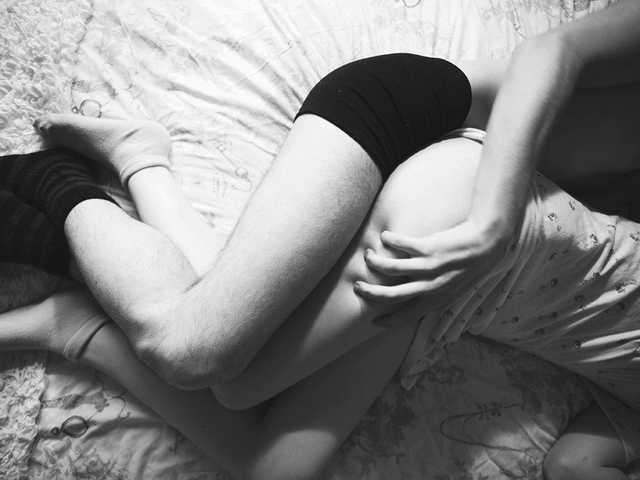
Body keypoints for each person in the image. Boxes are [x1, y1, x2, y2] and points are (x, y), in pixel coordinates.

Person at [1, 0, 640, 478]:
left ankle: (131, 188)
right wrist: (494, 221)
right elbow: (550, 51)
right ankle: (54, 189)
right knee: (204, 358)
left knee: (273, 463)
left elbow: (573, 463)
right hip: (437, 148)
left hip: (456, 291)